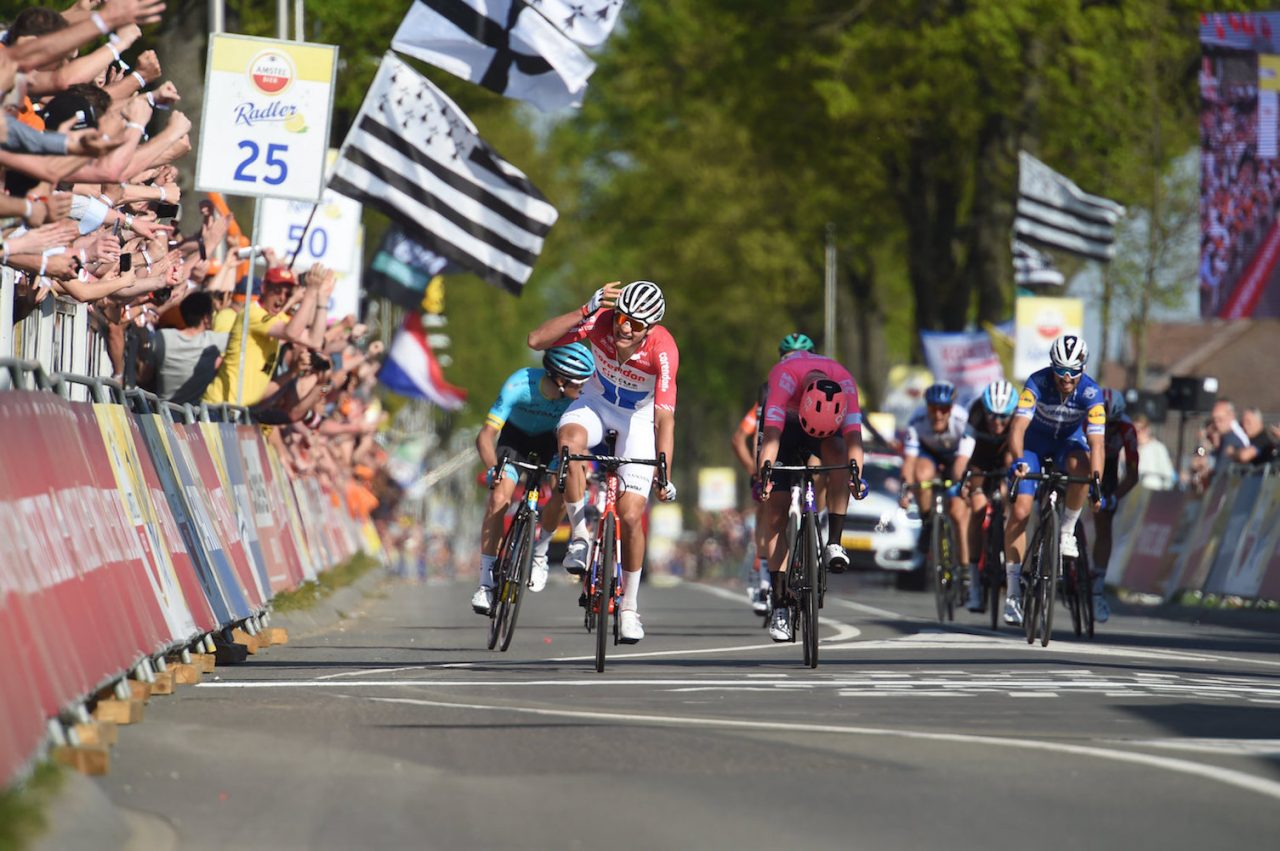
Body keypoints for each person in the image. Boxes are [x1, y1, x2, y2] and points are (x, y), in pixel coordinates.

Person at [526, 280, 680, 643]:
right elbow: (536, 340)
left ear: (650, 328)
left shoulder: (663, 349)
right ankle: (580, 535)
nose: (625, 328)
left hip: (637, 420)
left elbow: (664, 419)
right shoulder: (600, 322)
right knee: (570, 444)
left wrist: (663, 472)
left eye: (636, 325)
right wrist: (584, 310)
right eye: (622, 318)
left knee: (630, 515)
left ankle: (629, 606)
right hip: (595, 405)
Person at [470, 342, 596, 615]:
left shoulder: (575, 400)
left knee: (563, 487)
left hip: (549, 443)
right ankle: (485, 583)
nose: (584, 388)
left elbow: (579, 442)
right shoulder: (519, 384)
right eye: (580, 383)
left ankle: (540, 550)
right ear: (561, 379)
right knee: (500, 496)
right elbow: (485, 435)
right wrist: (494, 468)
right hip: (515, 439)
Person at [755, 350, 868, 642]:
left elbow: (854, 440)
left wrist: (857, 476)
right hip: (787, 428)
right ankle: (779, 604)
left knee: (841, 456)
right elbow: (770, 439)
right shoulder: (783, 379)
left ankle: (834, 542)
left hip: (827, 430)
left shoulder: (846, 383)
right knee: (776, 511)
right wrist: (764, 478)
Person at [1004, 335, 1105, 626]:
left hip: (1067, 444)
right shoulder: (1036, 383)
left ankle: (1066, 531)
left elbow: (1096, 444)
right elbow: (1018, 427)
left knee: (1082, 466)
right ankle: (1012, 593)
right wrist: (1019, 459)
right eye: (1060, 370)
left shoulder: (1091, 393)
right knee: (1021, 510)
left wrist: (1096, 483)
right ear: (1052, 366)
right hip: (1034, 445)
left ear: (1083, 368)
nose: (1067, 377)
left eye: (1074, 371)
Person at [730, 332, 816, 616]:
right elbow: (743, 437)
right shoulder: (768, 392)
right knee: (766, 509)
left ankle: (819, 525)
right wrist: (755, 470)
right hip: (769, 453)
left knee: (822, 473)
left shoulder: (818, 388)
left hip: (802, 450)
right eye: (787, 357)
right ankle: (763, 570)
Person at [203, 264, 331, 406]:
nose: (282, 298)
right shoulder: (253, 313)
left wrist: (322, 299)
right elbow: (292, 333)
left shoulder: (278, 318)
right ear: (264, 288)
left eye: (287, 294)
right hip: (218, 407)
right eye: (277, 291)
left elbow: (315, 340)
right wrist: (311, 293)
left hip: (239, 411)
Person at [955, 379, 1017, 611]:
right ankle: (974, 582)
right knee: (978, 508)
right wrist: (962, 480)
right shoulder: (977, 412)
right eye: (992, 416)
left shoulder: (1019, 416)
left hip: (1006, 461)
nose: (997, 422)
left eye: (1003, 417)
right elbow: (963, 455)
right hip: (980, 461)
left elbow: (1021, 454)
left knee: (1012, 494)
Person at [900, 381, 973, 573]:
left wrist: (959, 486)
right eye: (933, 408)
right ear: (927, 407)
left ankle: (965, 568)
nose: (938, 414)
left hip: (956, 457)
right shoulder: (917, 420)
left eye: (944, 409)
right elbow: (909, 462)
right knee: (921, 474)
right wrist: (906, 490)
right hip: (929, 453)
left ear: (952, 408)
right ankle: (927, 522)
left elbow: (961, 464)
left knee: (957, 510)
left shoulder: (962, 420)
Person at [1092, 388, 1140, 623]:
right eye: (1104, 423)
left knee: (1105, 518)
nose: (1107, 429)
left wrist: (1113, 497)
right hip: (1084, 454)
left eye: (1112, 425)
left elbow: (1132, 475)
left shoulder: (1127, 429)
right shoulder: (1086, 418)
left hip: (1108, 464)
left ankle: (1097, 587)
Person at [147, 291, 227, 403]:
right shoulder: (213, 341)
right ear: (206, 318)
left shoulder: (162, 337)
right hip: (194, 415)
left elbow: (146, 375)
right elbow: (241, 338)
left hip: (162, 410)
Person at [1133, 414, 1175, 490]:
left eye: (1140, 429)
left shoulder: (1158, 448)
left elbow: (1168, 474)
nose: (1137, 433)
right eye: (1134, 430)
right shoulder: (1130, 449)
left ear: (1148, 429)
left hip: (1154, 492)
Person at [1210, 399, 1251, 472]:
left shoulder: (1232, 439)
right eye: (1214, 420)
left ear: (1231, 416)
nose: (1216, 424)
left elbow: (1219, 471)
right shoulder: (1226, 436)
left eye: (1220, 419)